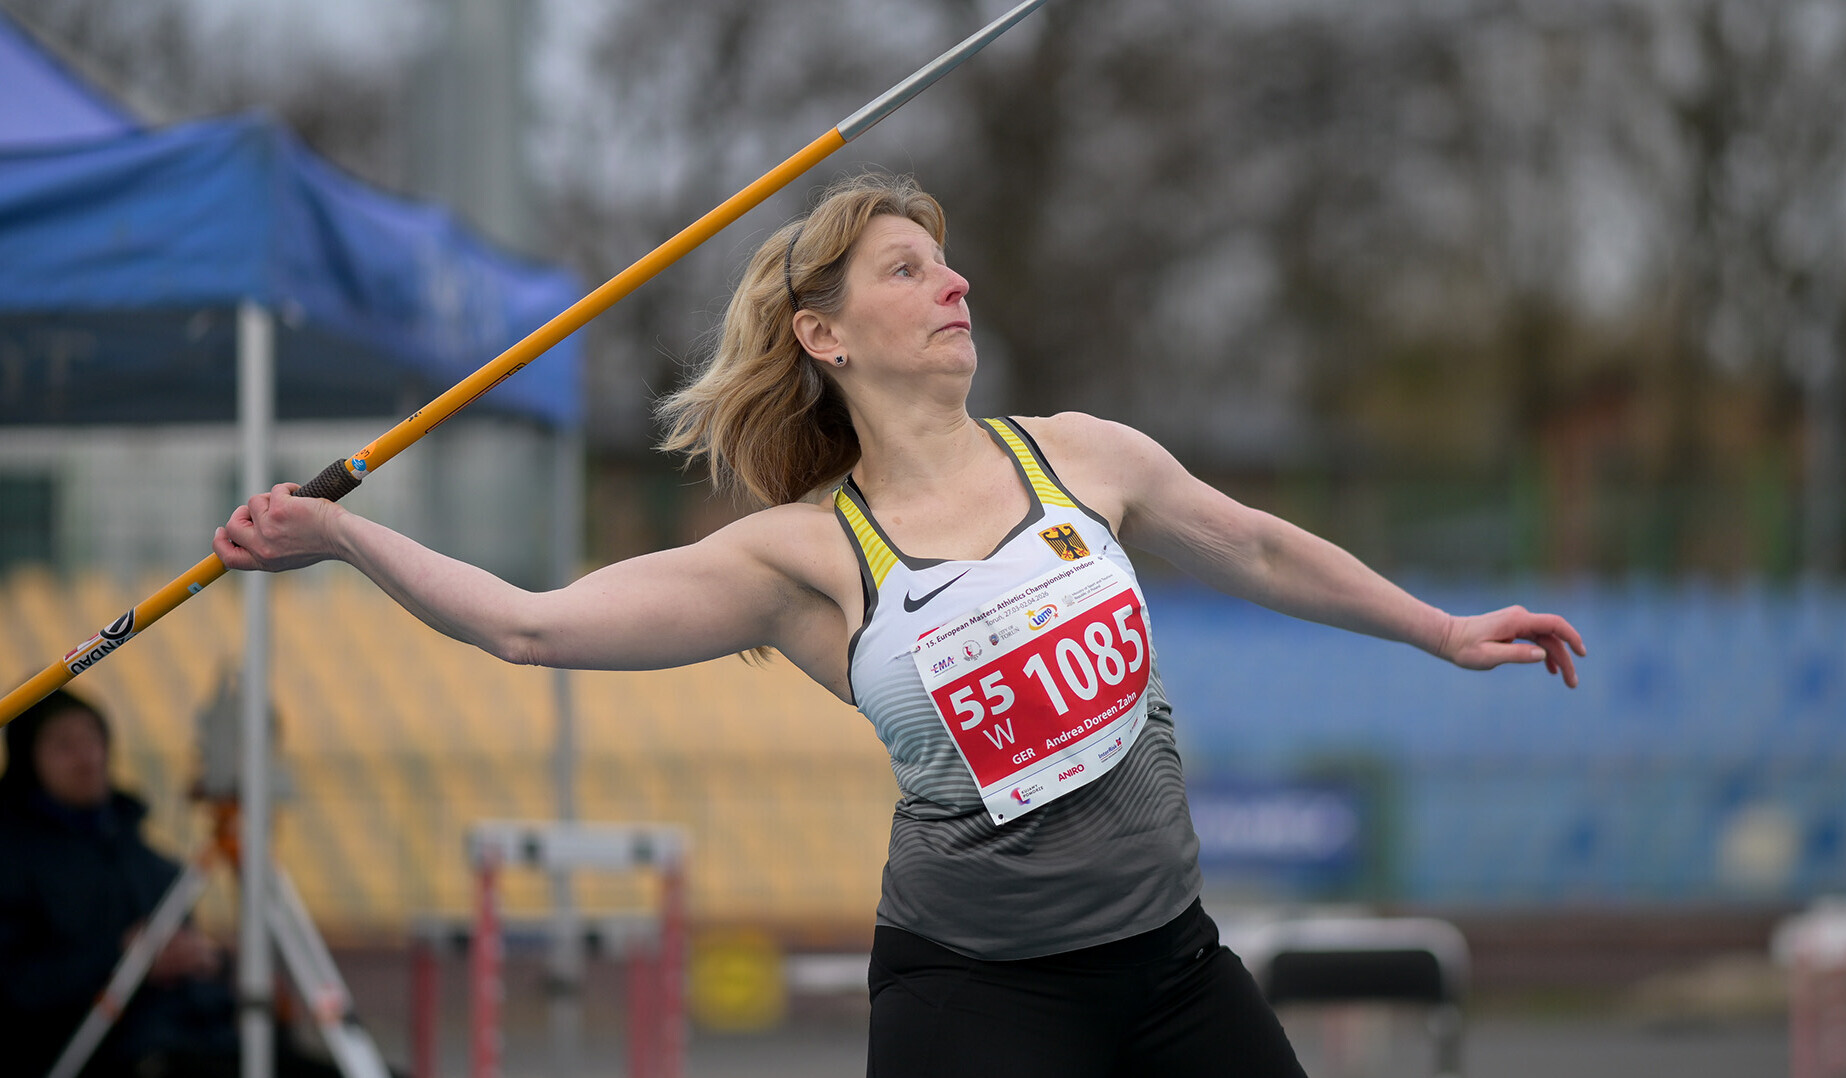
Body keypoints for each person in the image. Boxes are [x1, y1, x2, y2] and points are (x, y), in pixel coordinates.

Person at [215, 171, 1585, 1076]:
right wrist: (339, 531)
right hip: (977, 998)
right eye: (910, 268)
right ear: (825, 334)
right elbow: (530, 627)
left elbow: (1264, 545)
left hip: (1173, 960)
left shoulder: (1083, 457)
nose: (956, 285)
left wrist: (1440, 629)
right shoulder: (804, 555)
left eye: (952, 265)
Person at [0, 688, 344, 1078]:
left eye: (93, 739)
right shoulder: (12, 860)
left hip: (205, 1039)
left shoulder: (151, 863)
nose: (87, 758)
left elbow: (202, 976)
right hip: (116, 1055)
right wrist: (124, 960)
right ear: (28, 758)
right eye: (65, 745)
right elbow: (17, 988)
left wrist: (209, 960)